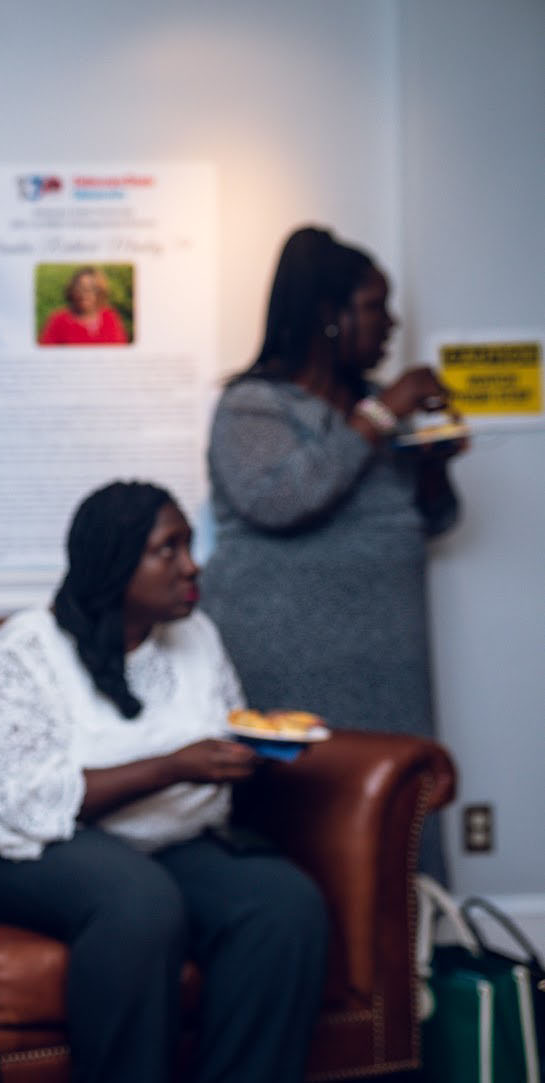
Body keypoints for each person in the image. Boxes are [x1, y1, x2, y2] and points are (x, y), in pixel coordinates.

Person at [0, 481, 327, 1083]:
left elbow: (226, 728)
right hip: (11, 846)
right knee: (138, 902)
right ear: (114, 564)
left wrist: (250, 753)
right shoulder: (25, 649)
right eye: (166, 551)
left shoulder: (197, 637)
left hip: (163, 840)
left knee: (282, 904)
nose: (190, 565)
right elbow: (22, 804)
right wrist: (175, 765)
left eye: (188, 545)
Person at [199, 225, 462, 880]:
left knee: (398, 814)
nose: (390, 323)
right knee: (304, 830)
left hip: (386, 664)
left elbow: (429, 518)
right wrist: (381, 417)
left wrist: (431, 464)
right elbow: (282, 498)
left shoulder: (367, 408)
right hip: (290, 662)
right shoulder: (250, 406)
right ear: (327, 315)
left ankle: (409, 973)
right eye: (375, 306)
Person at [39, 265, 130, 345]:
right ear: (72, 290)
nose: (85, 293)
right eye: (80, 287)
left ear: (100, 292)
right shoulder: (58, 320)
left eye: (92, 288)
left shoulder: (110, 317)